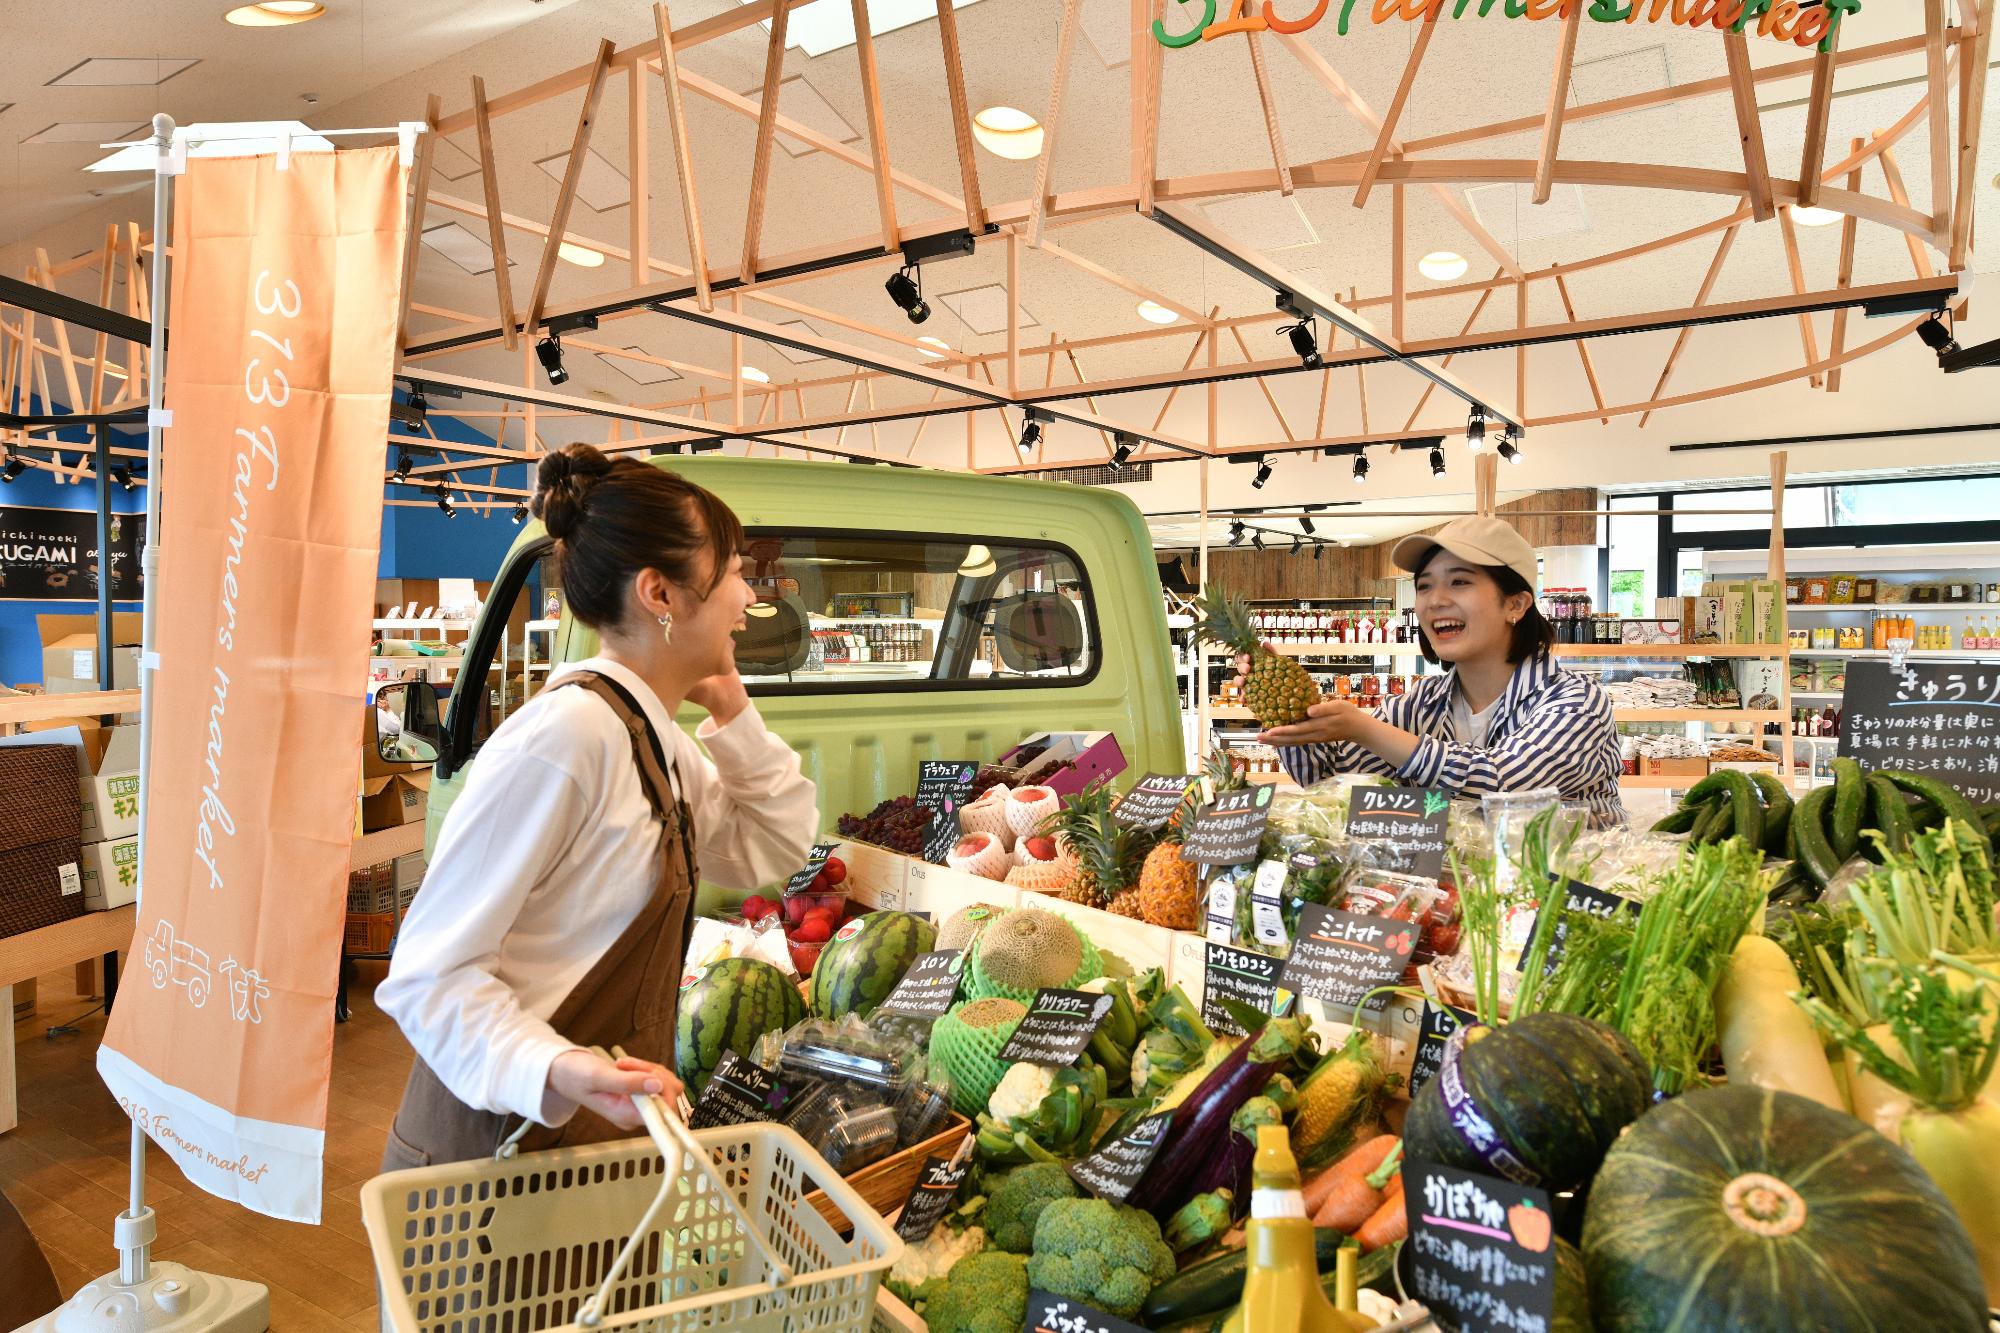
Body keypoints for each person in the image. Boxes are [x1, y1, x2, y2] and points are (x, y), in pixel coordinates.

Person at [377, 443, 817, 1169]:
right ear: (661, 593)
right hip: (492, 1169)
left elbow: (773, 846)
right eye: (736, 571)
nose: (750, 597)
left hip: (578, 1153)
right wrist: (550, 1065)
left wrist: (733, 709)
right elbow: (428, 974)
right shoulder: (566, 739)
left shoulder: (651, 737)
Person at [1252, 516, 1625, 826]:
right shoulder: (1415, 707)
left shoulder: (1576, 701)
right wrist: (1288, 712)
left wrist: (1363, 727)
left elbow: (1508, 787)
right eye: (1424, 586)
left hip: (1562, 903)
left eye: (1459, 582)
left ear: (1516, 603)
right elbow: (1331, 783)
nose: (1435, 601)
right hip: (1450, 906)